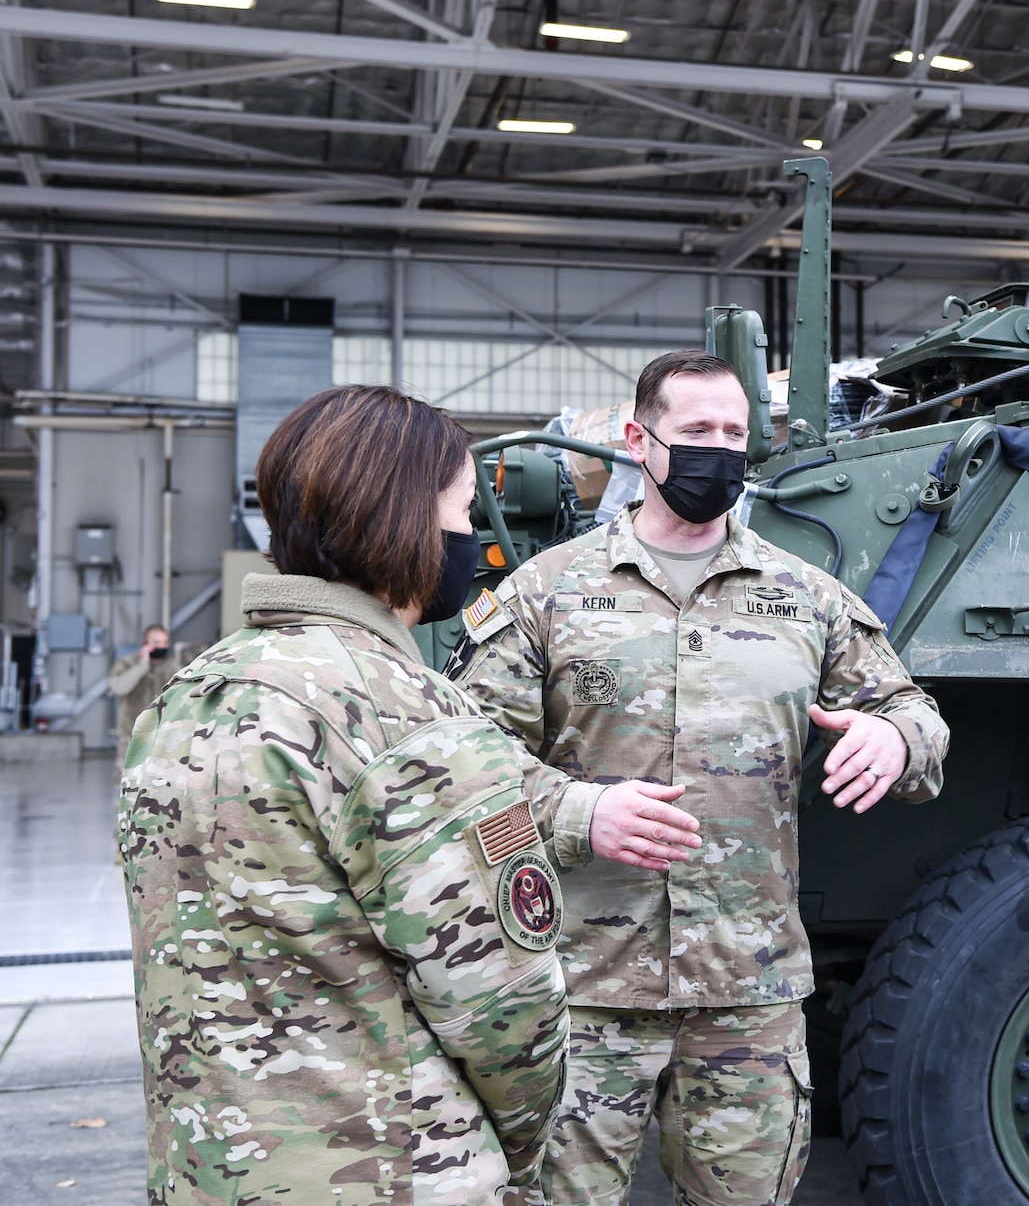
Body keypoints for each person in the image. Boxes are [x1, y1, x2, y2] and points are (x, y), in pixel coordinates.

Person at [118, 385, 698, 1204]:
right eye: (462, 510)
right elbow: (506, 1015)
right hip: (388, 1171)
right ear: (405, 518)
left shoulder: (187, 696)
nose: (469, 537)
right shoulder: (406, 713)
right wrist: (521, 1162)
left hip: (208, 1170)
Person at [449, 349, 950, 1206]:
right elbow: (460, 763)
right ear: (641, 440)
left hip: (746, 997)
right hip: (583, 991)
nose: (720, 449)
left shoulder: (805, 597)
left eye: (734, 433)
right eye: (696, 431)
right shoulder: (546, 593)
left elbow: (914, 710)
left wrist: (898, 739)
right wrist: (579, 810)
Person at [108, 622, 198, 744]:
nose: (161, 646)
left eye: (165, 642)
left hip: (163, 736)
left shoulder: (173, 667)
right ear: (145, 643)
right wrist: (142, 665)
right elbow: (119, 687)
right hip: (132, 735)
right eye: (156, 643)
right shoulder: (126, 664)